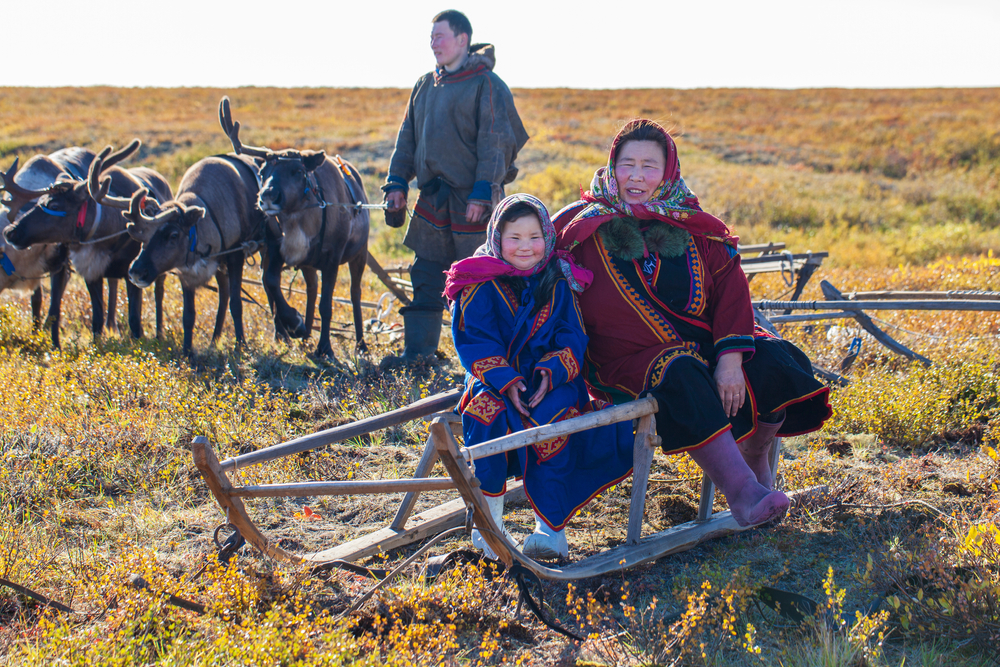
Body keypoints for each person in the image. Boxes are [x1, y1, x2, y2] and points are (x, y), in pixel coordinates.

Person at [554, 119, 832, 527]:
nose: (636, 175)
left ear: (668, 170)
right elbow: (525, 256)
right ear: (612, 166)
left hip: (699, 347)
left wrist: (730, 359)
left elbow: (731, 290)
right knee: (679, 370)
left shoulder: (693, 224)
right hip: (623, 360)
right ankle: (742, 493)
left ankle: (755, 451)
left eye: (649, 165)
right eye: (626, 163)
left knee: (775, 356)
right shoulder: (579, 226)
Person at [445, 194, 634, 559]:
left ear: (547, 236)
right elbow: (474, 340)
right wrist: (508, 380)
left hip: (552, 378)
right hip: (496, 378)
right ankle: (490, 526)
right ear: (497, 237)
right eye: (514, 238)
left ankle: (550, 530)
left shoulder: (557, 278)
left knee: (554, 418)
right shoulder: (478, 279)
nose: (525, 247)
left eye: (534, 237)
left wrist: (551, 373)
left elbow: (571, 335)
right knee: (485, 413)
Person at [383, 9, 529, 364]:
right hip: (433, 199)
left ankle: (491, 357)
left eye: (440, 36)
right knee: (425, 273)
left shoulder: (487, 85)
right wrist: (397, 183)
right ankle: (419, 355)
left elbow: (496, 142)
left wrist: (482, 191)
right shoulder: (424, 84)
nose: (433, 43)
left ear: (462, 39)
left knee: (480, 278)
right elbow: (408, 139)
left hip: (472, 202)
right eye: (431, 37)